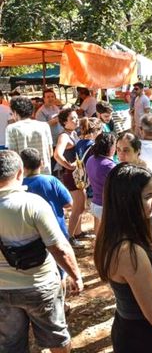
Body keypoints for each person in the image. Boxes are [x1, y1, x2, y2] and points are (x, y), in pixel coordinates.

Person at [93, 163, 152, 352]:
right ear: (128, 201)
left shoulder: (111, 235)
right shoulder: (129, 252)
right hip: (146, 337)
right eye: (148, 197)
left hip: (129, 330)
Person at [0, 150, 83, 353]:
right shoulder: (33, 204)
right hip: (39, 285)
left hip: (2, 290)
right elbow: (58, 247)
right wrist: (76, 276)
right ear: (20, 173)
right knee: (56, 340)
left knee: (10, 345)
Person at [21, 147, 72, 241]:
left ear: (22, 167)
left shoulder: (20, 186)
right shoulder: (52, 180)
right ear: (42, 163)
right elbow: (69, 204)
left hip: (33, 237)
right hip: (57, 231)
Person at [53, 108, 87, 248]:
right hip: (71, 176)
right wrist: (69, 166)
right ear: (64, 122)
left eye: (76, 117)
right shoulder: (64, 136)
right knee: (77, 207)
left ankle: (78, 233)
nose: (76, 120)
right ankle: (70, 237)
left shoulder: (73, 133)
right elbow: (56, 155)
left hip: (78, 175)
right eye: (72, 118)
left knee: (81, 206)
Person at [6, 97, 53, 174]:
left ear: (15, 112)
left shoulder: (11, 128)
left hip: (24, 175)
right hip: (45, 172)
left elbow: (13, 155)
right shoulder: (44, 126)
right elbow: (50, 152)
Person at [86, 132, 117, 234]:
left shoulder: (91, 159)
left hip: (95, 204)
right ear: (110, 147)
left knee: (98, 235)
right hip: (106, 207)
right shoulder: (110, 166)